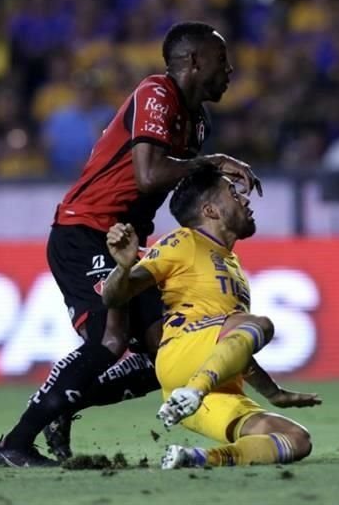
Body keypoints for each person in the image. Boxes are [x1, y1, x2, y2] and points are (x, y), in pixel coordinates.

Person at [0, 21, 260, 467]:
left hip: (125, 241)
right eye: (221, 59)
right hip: (85, 231)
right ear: (193, 61)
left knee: (165, 354)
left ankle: (63, 406)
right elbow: (148, 176)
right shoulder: (156, 93)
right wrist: (212, 162)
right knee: (109, 339)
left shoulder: (197, 123)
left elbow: (177, 190)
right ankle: (13, 445)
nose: (230, 70)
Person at [101, 164, 321, 468]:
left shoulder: (233, 265)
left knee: (296, 439)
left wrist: (274, 394)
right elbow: (113, 297)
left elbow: (233, 347)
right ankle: (192, 393)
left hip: (215, 389)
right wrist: (123, 267)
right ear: (210, 210)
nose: (245, 199)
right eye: (233, 193)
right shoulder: (184, 241)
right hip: (183, 358)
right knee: (260, 324)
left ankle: (197, 458)